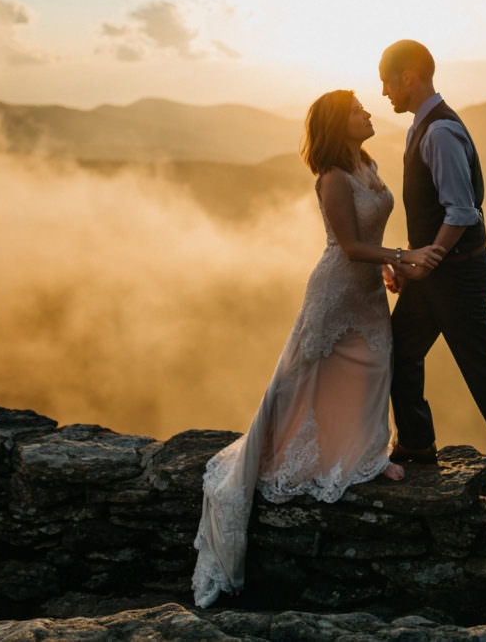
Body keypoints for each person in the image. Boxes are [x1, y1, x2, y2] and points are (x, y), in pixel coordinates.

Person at [191, 89, 446, 607]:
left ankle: (364, 454)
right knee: (304, 378)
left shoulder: (367, 161)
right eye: (358, 110)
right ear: (338, 124)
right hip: (335, 291)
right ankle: (302, 452)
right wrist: (403, 253)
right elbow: (348, 245)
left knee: (374, 369)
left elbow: (367, 241)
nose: (369, 113)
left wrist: (388, 267)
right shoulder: (332, 177)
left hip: (368, 290)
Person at [379, 40, 486, 530]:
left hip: (456, 275)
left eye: (387, 79)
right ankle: (416, 444)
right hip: (435, 273)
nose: (383, 90)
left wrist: (425, 264)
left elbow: (461, 210)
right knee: (399, 350)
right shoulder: (421, 124)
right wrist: (412, 260)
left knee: (485, 375)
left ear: (409, 76)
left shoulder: (441, 133)